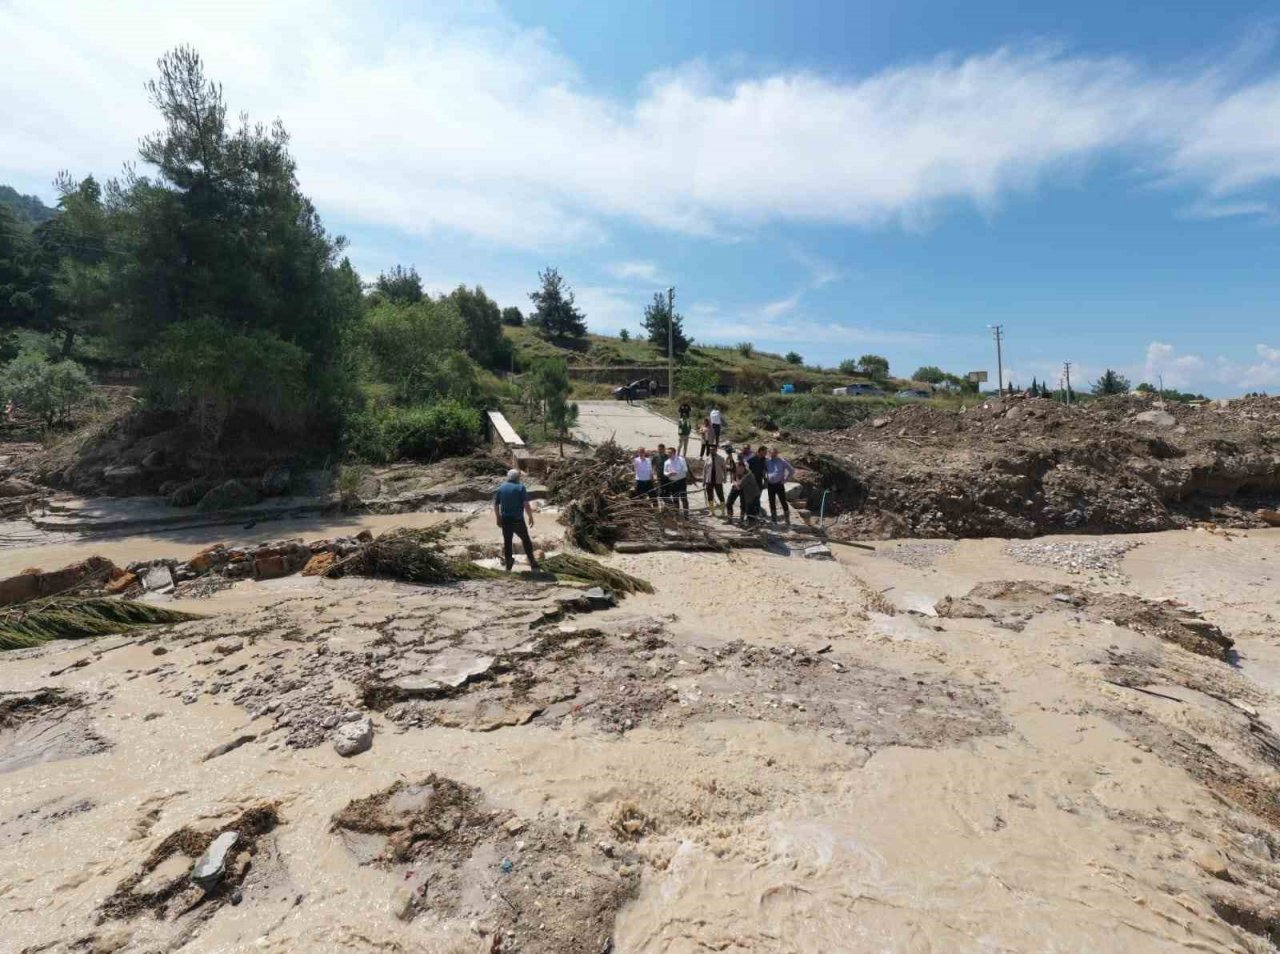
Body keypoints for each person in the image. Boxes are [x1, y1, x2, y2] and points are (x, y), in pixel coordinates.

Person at [493, 469, 538, 572]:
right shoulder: (520, 487)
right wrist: (530, 516)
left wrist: (497, 518)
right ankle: (532, 562)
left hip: (505, 520)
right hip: (517, 520)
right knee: (525, 540)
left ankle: (509, 563)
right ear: (517, 478)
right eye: (519, 477)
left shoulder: (501, 488)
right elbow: (526, 504)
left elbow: (496, 505)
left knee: (507, 541)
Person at [764, 447, 796, 524]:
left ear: (777, 453)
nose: (773, 454)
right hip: (770, 484)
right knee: (772, 501)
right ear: (769, 453)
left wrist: (785, 480)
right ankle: (774, 519)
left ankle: (787, 519)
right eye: (771, 453)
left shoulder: (782, 461)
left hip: (779, 484)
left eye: (774, 452)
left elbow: (791, 471)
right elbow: (764, 470)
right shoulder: (767, 461)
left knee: (783, 501)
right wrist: (765, 477)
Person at [664, 446, 690, 512]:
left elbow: (685, 469)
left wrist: (677, 473)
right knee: (675, 498)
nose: (668, 454)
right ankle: (677, 513)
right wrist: (668, 474)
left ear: (674, 453)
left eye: (670, 452)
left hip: (681, 481)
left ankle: (686, 514)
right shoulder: (666, 462)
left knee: (683, 498)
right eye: (668, 453)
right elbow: (664, 472)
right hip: (672, 482)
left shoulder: (681, 459)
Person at [704, 449, 726, 513]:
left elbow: (724, 469)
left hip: (718, 480)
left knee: (720, 495)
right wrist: (704, 481)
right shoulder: (707, 459)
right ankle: (712, 512)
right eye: (710, 450)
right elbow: (704, 470)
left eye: (713, 450)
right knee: (710, 496)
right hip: (709, 480)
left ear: (716, 450)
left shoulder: (721, 458)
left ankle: (723, 512)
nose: (711, 451)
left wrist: (724, 478)